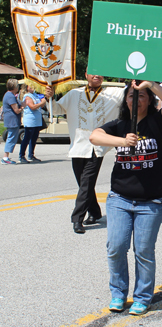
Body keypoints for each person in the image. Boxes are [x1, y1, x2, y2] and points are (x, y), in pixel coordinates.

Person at [89, 80, 162, 315]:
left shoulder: (158, 122)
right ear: (125, 100)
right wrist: (121, 141)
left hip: (151, 202)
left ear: (149, 100)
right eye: (131, 96)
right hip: (120, 199)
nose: (135, 101)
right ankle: (118, 294)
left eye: (141, 96)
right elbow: (95, 137)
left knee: (143, 250)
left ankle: (142, 297)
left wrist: (151, 85)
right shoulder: (119, 125)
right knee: (116, 247)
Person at [45, 72, 124, 234]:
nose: (98, 76)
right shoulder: (75, 93)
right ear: (86, 75)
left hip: (97, 146)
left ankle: (77, 218)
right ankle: (94, 212)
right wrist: (49, 98)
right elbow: (58, 108)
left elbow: (132, 91)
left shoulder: (113, 93)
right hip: (78, 145)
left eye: (101, 73)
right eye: (94, 73)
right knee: (84, 184)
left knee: (86, 182)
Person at [18, 84, 46, 163]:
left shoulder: (35, 95)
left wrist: (43, 100)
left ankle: (31, 155)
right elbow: (32, 107)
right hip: (30, 120)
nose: (33, 88)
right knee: (27, 138)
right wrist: (42, 102)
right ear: (27, 88)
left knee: (34, 138)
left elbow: (41, 105)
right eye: (31, 87)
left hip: (37, 120)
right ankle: (21, 155)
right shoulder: (27, 96)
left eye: (34, 86)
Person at [2, 79, 24, 165]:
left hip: (11, 119)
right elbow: (16, 110)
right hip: (12, 120)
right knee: (11, 138)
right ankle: (5, 157)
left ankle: (6, 156)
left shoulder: (9, 95)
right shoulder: (10, 96)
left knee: (11, 137)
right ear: (14, 86)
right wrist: (23, 107)